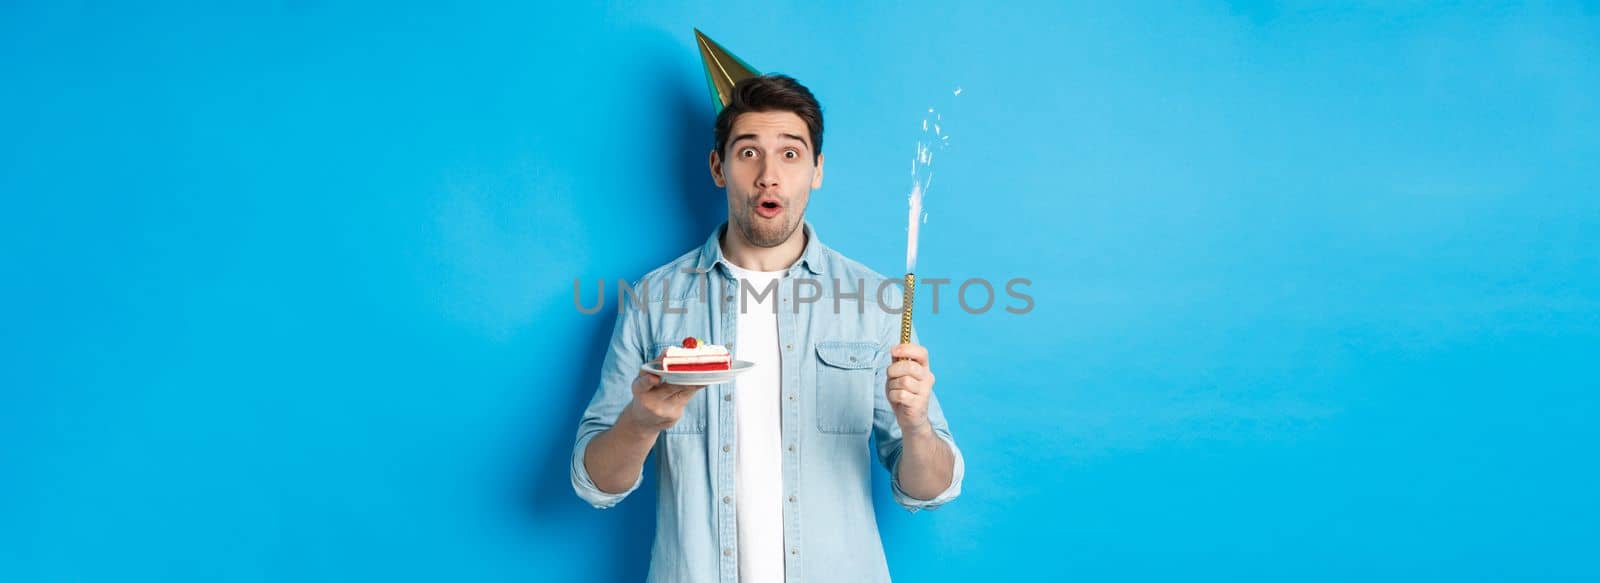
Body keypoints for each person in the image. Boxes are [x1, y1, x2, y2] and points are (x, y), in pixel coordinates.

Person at [571, 74, 964, 583]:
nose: (769, 176)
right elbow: (594, 483)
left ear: (817, 171)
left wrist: (915, 428)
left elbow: (929, 490)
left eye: (791, 154)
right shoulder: (652, 300)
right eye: (749, 153)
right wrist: (641, 422)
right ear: (719, 167)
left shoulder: (875, 302)